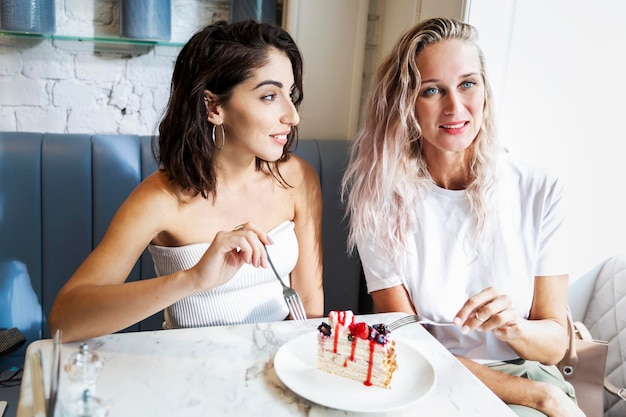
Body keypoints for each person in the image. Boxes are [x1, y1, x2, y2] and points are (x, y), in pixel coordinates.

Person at [342, 17, 581, 417]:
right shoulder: (379, 198)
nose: (455, 107)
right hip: (425, 376)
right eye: (432, 90)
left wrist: (513, 327)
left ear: (485, 91)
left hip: (524, 373)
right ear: (406, 104)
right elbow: (409, 341)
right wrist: (539, 398)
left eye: (468, 84)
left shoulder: (540, 190)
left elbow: (555, 344)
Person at [49, 20, 324, 342]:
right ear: (214, 106)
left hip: (277, 367)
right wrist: (193, 279)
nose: (292, 116)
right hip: (191, 372)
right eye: (268, 96)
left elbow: (308, 306)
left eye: (289, 94)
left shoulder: (298, 178)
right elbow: (64, 320)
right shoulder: (160, 199)